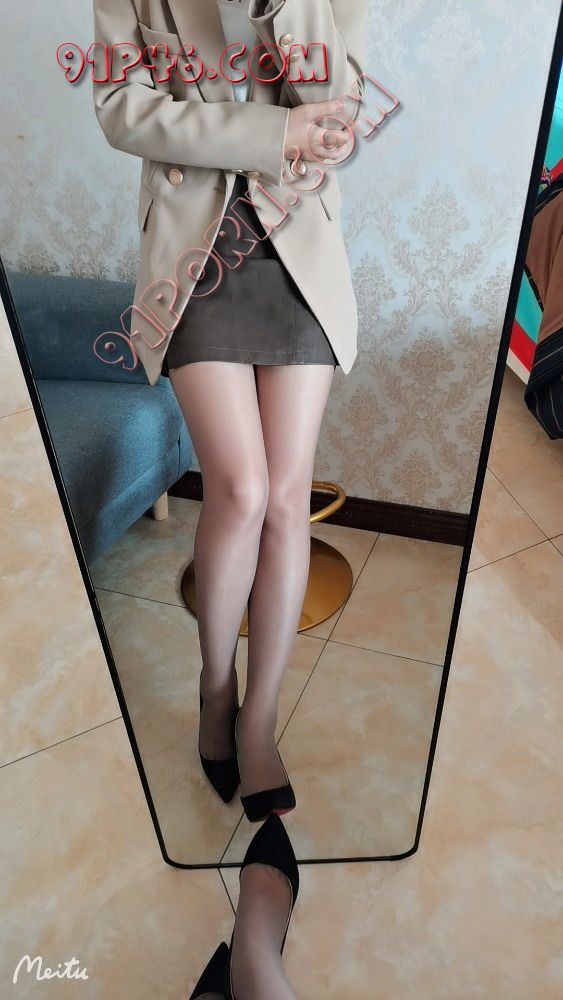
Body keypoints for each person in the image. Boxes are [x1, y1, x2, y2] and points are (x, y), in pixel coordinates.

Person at [92, 0, 368, 820]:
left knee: (285, 499)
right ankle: (217, 690)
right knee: (240, 490)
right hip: (196, 252)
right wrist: (271, 134)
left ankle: (258, 720)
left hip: (298, 246)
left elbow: (336, 105)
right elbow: (121, 108)